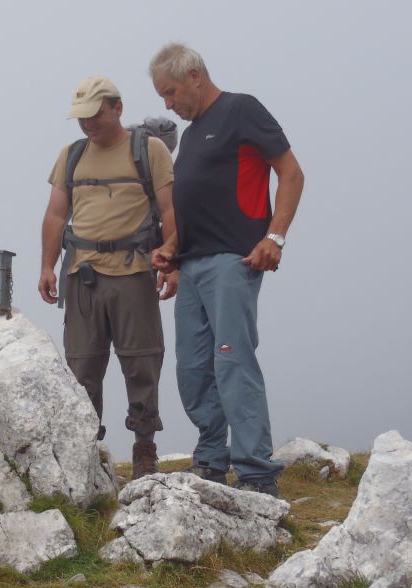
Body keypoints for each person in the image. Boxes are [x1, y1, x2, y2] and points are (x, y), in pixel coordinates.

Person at [149, 43, 305, 497]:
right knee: (193, 370)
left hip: (233, 261)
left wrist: (274, 237)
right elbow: (198, 204)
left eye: (171, 92)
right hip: (192, 268)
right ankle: (211, 462)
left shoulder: (242, 109)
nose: (167, 104)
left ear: (195, 75)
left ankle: (257, 474)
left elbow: (291, 173)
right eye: (162, 96)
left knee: (233, 362)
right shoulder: (194, 133)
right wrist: (172, 253)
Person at [38, 77, 179, 479]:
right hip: (82, 276)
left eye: (94, 115)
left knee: (141, 363)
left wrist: (174, 262)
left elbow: (171, 211)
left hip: (134, 272)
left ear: (116, 107)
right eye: (81, 118)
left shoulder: (148, 150)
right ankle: (87, 454)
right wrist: (48, 266)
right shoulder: (71, 155)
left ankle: (144, 449)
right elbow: (54, 215)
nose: (87, 124)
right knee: (82, 368)